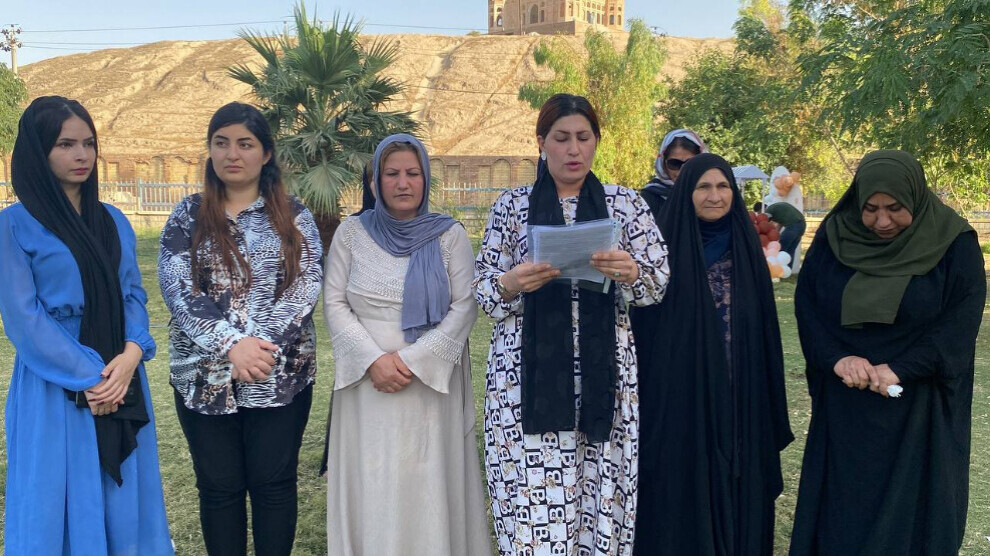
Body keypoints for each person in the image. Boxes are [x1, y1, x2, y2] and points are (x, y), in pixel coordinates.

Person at [475, 93, 670, 556]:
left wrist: (631, 272)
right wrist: (512, 282)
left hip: (605, 374)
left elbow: (658, 284)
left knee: (599, 486)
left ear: (597, 141)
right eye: (561, 138)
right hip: (525, 376)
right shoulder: (511, 205)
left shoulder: (626, 205)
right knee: (533, 497)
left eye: (584, 137)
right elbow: (482, 292)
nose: (573, 149)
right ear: (541, 142)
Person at [789, 150, 985, 555]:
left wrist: (901, 368)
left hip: (919, 407)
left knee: (911, 517)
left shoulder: (953, 243)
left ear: (915, 196)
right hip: (846, 405)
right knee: (842, 515)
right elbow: (808, 307)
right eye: (871, 209)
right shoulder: (834, 236)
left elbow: (960, 323)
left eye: (895, 208)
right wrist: (837, 359)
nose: (882, 221)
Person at [0, 96, 172, 554]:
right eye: (65, 144)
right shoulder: (13, 225)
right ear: (38, 151)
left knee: (123, 493)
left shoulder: (112, 220)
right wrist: (92, 377)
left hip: (121, 371)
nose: (82, 155)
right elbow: (24, 318)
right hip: (57, 380)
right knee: (55, 492)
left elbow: (132, 293)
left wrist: (131, 355)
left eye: (89, 143)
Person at [158, 102, 324, 555]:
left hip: (279, 375)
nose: (233, 154)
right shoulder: (188, 215)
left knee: (274, 486)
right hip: (204, 377)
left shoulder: (294, 215)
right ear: (210, 151)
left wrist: (257, 347)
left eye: (245, 144)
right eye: (222, 143)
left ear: (265, 154)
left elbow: (306, 284)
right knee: (218, 489)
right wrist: (232, 345)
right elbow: (177, 286)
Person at [323, 134, 491, 555]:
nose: (403, 183)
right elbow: (334, 301)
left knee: (427, 479)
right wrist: (373, 361)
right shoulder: (350, 233)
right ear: (375, 182)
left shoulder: (449, 235)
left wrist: (413, 361)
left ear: (426, 179)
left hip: (429, 386)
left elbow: (465, 305)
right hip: (368, 386)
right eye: (391, 173)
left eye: (413, 173)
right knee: (373, 478)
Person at [633, 154, 793, 556]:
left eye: (723, 187)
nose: (715, 196)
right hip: (681, 397)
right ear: (686, 193)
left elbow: (766, 330)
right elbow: (646, 331)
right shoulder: (663, 252)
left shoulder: (746, 249)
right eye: (703, 187)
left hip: (742, 392)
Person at [640, 128, 708, 217]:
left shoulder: (713, 193)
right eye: (674, 164)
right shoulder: (650, 197)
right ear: (663, 164)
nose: (682, 171)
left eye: (690, 164)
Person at [754, 200, 805, 270]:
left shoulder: (769, 210)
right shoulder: (776, 210)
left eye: (759, 213)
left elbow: (765, 224)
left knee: (780, 249)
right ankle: (787, 270)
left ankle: (777, 270)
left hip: (793, 226)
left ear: (761, 209)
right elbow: (780, 225)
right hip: (801, 225)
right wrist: (775, 236)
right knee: (790, 251)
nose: (759, 215)